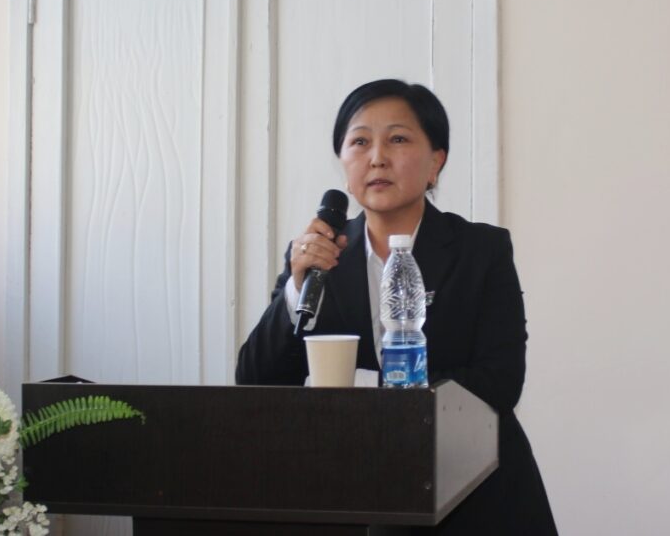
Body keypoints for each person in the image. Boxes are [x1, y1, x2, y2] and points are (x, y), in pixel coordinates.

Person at [236, 79, 558, 535]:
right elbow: (255, 381)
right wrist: (296, 286)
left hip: (476, 499)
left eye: (398, 139)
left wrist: (378, 389)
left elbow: (501, 380)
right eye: (359, 142)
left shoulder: (480, 250)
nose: (377, 157)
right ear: (343, 161)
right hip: (354, 498)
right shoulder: (318, 258)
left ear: (435, 162)